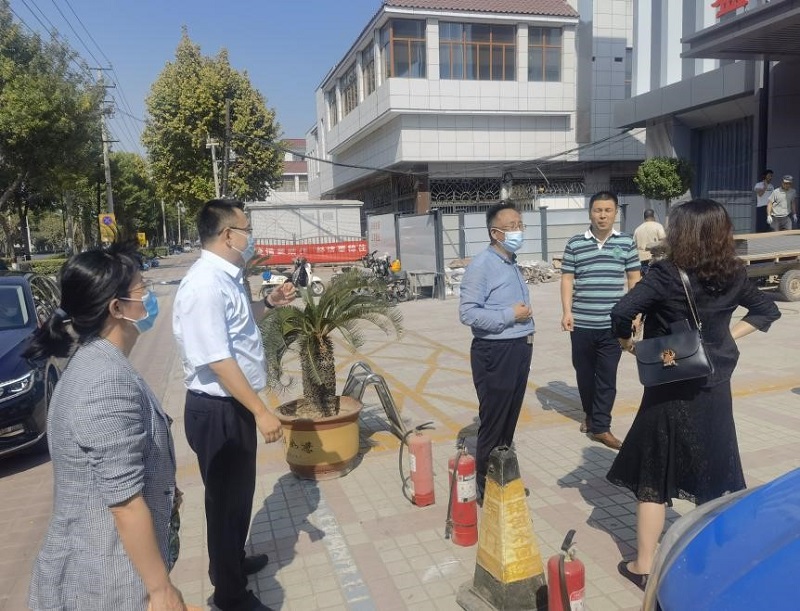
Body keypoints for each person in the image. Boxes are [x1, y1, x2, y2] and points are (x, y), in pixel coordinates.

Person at [607, 199, 780, 591]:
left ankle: (644, 565)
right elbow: (766, 311)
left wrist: (627, 342)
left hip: (670, 383)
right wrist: (723, 338)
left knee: (654, 471)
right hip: (714, 384)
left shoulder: (665, 273)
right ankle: (711, 562)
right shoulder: (733, 270)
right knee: (714, 471)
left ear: (681, 231)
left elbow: (621, 311)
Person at [27, 242, 192, 611]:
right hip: (104, 582)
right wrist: (161, 589)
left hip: (108, 569)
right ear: (117, 308)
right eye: (142, 288)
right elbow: (125, 504)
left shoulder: (98, 363)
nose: (149, 297)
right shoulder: (104, 381)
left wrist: (162, 489)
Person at [173, 199, 295, 611]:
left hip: (231, 406)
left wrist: (270, 302)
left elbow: (240, 328)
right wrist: (261, 411)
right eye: (247, 229)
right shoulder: (205, 285)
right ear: (228, 235)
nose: (251, 236)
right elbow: (218, 359)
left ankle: (231, 562)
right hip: (218, 410)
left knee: (237, 498)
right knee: (225, 504)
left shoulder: (226, 278)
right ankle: (229, 595)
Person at [459, 201, 534, 501]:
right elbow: (468, 313)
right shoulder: (482, 265)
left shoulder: (510, 261)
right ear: (495, 233)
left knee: (509, 418)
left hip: (519, 346)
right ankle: (485, 485)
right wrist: (510, 315)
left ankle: (502, 478)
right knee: (494, 420)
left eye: (520, 225)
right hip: (496, 351)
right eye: (511, 226)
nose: (518, 231)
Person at [560, 191, 641, 450]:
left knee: (607, 377)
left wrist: (636, 314)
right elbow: (567, 279)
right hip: (582, 324)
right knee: (585, 374)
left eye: (608, 210)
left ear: (616, 213)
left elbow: (634, 279)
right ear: (590, 213)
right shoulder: (575, 243)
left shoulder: (626, 242)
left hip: (612, 326)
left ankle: (601, 427)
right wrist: (567, 311)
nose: (602, 215)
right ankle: (590, 414)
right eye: (598, 210)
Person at [632, 209, 666, 275]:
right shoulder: (658, 226)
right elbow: (663, 241)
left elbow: (633, 245)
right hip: (655, 258)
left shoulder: (638, 229)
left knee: (645, 278)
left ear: (644, 217)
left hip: (641, 259)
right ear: (653, 216)